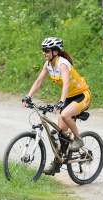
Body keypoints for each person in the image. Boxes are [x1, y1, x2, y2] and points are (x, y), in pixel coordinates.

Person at [22, 37, 91, 175]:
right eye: (43, 50)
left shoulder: (62, 63)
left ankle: (78, 139)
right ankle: (57, 163)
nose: (44, 53)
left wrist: (60, 101)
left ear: (55, 52)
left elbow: (66, 83)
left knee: (65, 114)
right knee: (61, 132)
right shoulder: (48, 64)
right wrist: (28, 96)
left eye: (46, 50)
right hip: (69, 98)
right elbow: (39, 81)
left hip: (82, 95)